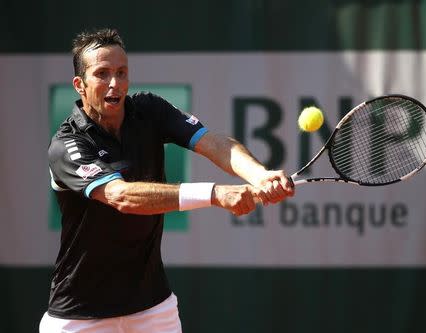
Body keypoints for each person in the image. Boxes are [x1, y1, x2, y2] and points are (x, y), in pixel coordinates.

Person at [41, 28, 294, 333]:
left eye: (122, 73)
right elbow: (121, 196)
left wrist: (260, 175)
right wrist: (214, 194)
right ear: (80, 85)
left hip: (152, 308)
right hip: (80, 315)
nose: (114, 83)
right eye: (102, 74)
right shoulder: (66, 145)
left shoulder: (150, 110)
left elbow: (213, 142)